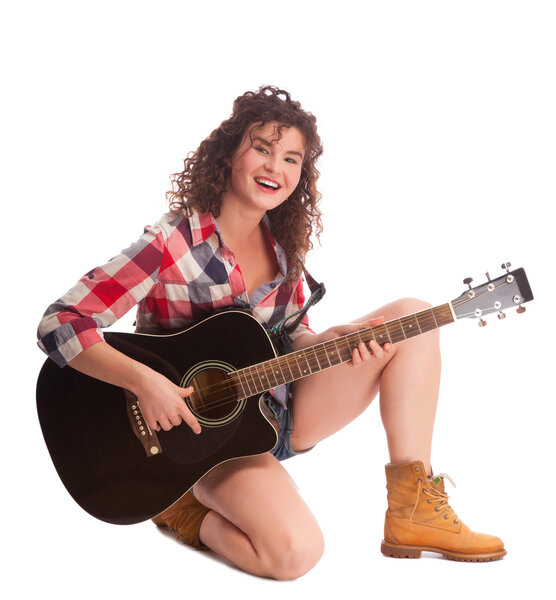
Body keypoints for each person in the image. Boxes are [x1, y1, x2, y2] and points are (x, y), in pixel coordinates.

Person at [37, 85, 506, 580]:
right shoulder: (172, 243)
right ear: (229, 153)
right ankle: (183, 508)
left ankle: (413, 511)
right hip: (198, 440)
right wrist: (145, 383)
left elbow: (290, 333)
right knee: (294, 554)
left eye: (291, 158)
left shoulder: (284, 246)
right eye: (262, 148)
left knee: (413, 317)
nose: (275, 168)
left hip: (275, 416)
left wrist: (330, 339)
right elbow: (60, 323)